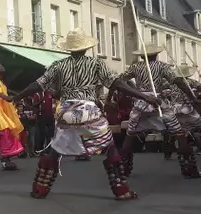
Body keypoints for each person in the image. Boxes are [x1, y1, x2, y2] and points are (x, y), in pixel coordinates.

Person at [12, 29, 160, 200]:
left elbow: (37, 85)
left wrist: (16, 96)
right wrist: (144, 96)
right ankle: (121, 190)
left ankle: (40, 188)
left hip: (66, 112)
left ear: (69, 48)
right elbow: (116, 83)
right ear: (86, 47)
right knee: (110, 147)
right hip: (89, 112)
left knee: (55, 149)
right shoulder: (96, 64)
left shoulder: (58, 65)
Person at [111, 44, 201, 178]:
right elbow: (177, 81)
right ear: (156, 55)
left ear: (142, 56)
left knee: (130, 133)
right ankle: (188, 167)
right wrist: (192, 97)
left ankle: (123, 167)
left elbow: (118, 81)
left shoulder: (135, 67)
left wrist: (115, 97)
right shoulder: (162, 66)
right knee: (179, 132)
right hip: (157, 101)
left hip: (141, 101)